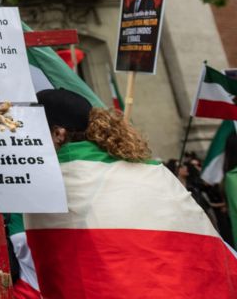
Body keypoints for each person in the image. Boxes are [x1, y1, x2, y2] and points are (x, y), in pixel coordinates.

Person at [26, 88, 237, 297]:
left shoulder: (55, 174)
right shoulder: (150, 169)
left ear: (58, 133)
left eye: (31, 132)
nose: (24, 142)